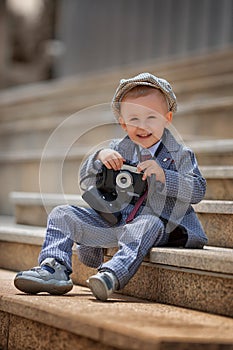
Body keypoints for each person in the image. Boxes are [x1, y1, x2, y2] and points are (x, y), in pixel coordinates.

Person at [14, 73, 208, 301]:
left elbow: (198, 190)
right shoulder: (116, 149)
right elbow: (86, 178)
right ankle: (54, 268)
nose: (142, 126)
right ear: (122, 123)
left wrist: (165, 176)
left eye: (151, 118)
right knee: (61, 213)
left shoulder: (180, 155)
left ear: (168, 119)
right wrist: (99, 157)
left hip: (160, 223)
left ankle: (110, 274)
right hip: (114, 220)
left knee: (147, 223)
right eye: (134, 119)